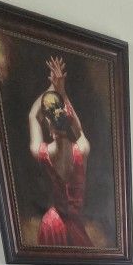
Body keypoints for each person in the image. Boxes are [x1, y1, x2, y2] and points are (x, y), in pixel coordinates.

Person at [28, 56, 92, 246]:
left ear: (49, 128)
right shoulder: (83, 149)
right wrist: (61, 90)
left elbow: (33, 115)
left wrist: (52, 87)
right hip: (75, 225)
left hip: (52, 225)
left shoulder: (42, 153)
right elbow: (78, 129)